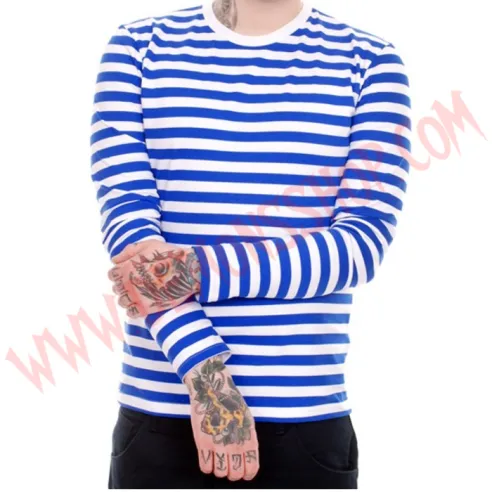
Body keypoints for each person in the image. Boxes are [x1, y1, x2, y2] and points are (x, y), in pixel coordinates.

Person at [90, 0, 411, 488]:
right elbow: (132, 241)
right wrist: (206, 377)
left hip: (304, 425)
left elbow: (359, 245)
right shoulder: (137, 49)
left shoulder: (370, 63)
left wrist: (197, 269)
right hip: (160, 418)